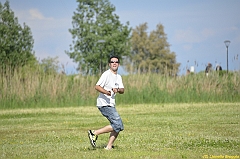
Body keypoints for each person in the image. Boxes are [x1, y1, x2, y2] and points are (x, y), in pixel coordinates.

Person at [88, 55, 124, 150]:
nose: (114, 63)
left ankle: (108, 147)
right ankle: (94, 133)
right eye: (112, 62)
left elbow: (122, 90)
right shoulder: (106, 74)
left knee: (118, 126)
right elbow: (97, 86)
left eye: (116, 62)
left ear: (119, 64)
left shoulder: (118, 77)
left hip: (111, 104)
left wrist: (118, 90)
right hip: (104, 104)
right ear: (109, 64)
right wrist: (106, 92)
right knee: (118, 125)